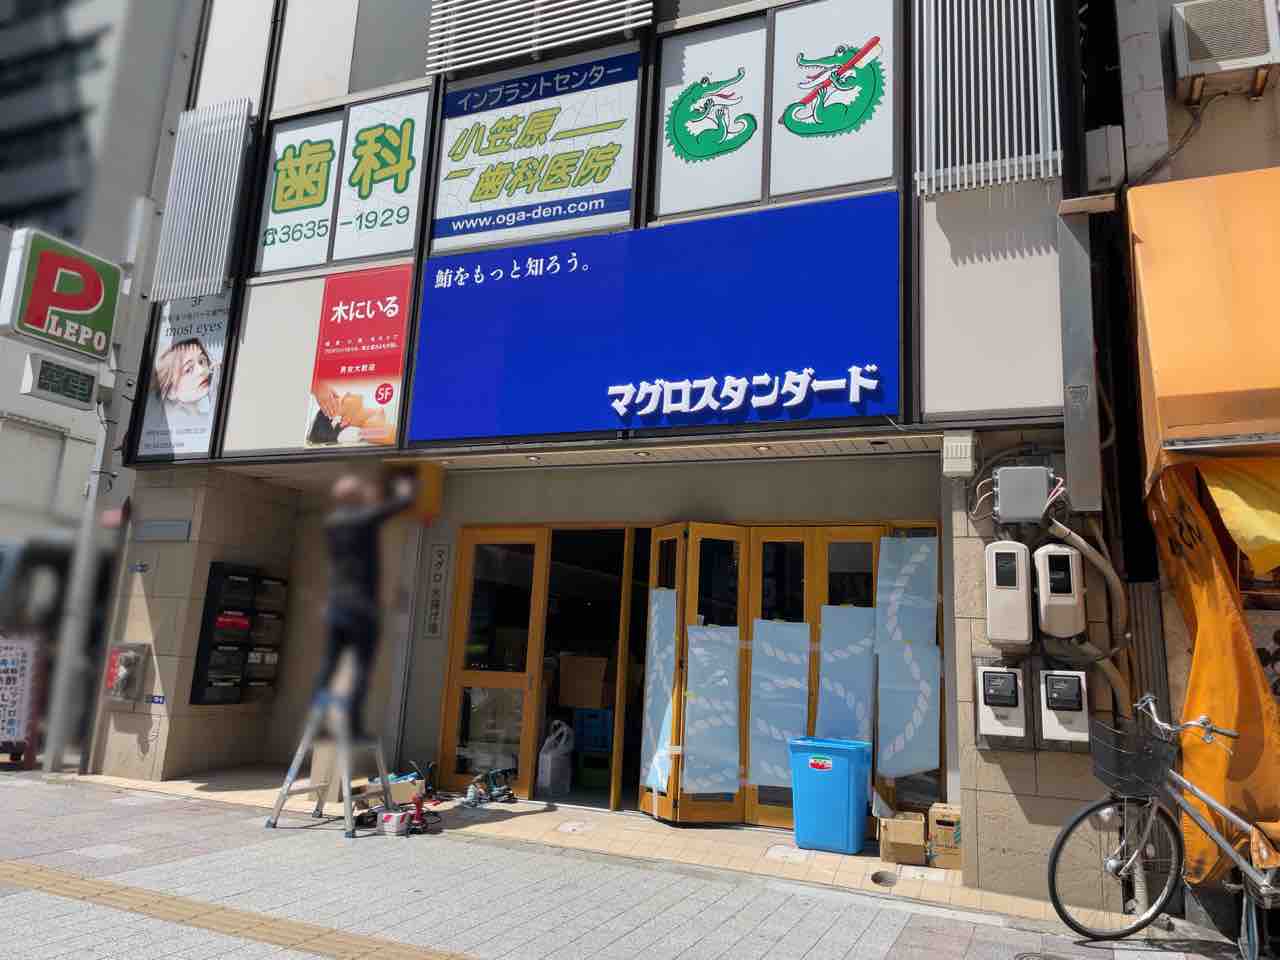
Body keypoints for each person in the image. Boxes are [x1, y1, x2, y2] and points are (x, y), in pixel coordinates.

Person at [313, 471, 416, 739]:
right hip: (361, 607)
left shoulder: (332, 523)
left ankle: (318, 721)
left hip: (336, 604)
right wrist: (405, 487)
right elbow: (401, 503)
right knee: (361, 667)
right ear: (357, 497)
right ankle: (352, 726)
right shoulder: (363, 519)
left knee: (328, 665)